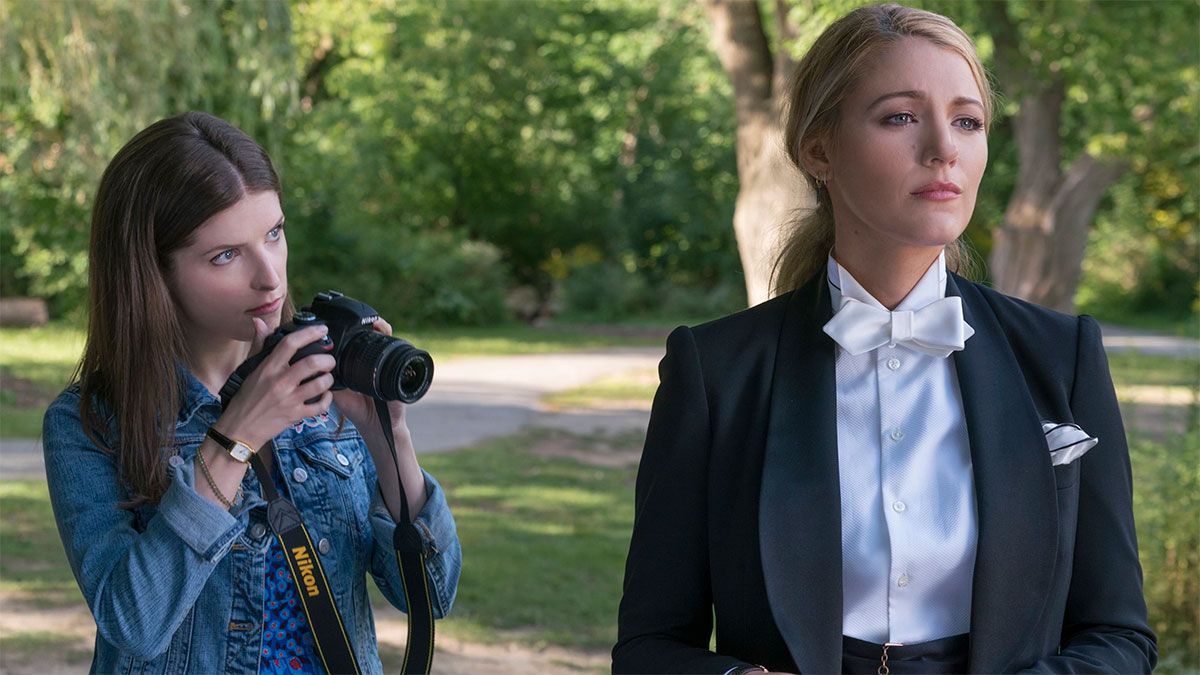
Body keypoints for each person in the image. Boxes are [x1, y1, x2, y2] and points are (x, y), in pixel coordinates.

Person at [612, 4, 1155, 674]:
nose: (944, 148)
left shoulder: (1062, 355)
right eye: (901, 117)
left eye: (967, 121)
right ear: (818, 150)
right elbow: (648, 646)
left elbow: (1118, 634)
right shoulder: (715, 371)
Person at [42, 111, 461, 674]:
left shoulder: (325, 390)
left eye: (274, 234)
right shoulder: (91, 422)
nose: (270, 277)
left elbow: (432, 594)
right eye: (226, 254)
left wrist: (389, 436)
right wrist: (236, 436)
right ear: (152, 273)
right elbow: (135, 624)